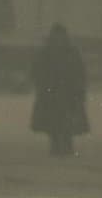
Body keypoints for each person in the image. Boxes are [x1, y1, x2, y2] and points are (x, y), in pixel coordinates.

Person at [31, 23, 89, 156]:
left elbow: (79, 71)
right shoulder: (48, 52)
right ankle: (57, 146)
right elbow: (37, 70)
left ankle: (65, 146)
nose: (59, 39)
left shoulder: (65, 51)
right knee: (54, 123)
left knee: (65, 122)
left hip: (66, 93)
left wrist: (79, 88)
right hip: (52, 92)